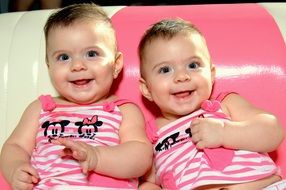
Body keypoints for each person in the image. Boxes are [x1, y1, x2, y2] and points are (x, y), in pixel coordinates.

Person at [0, 3, 153, 190]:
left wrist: (96, 157)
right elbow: (14, 146)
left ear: (116, 64)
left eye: (91, 54)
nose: (77, 65)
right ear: (49, 67)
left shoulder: (123, 109)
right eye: (64, 57)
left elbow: (141, 157)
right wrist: (16, 169)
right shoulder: (40, 108)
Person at [137, 18, 286, 190]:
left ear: (211, 74)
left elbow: (272, 130)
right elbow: (148, 180)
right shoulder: (150, 135)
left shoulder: (224, 104)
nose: (182, 76)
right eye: (165, 69)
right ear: (147, 88)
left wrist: (224, 133)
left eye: (193, 65)